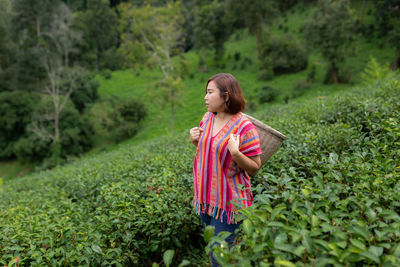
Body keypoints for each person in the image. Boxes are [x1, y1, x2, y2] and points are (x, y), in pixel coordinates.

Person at [189, 73, 262, 266]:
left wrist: (236, 154)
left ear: (226, 96)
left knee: (219, 258)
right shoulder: (207, 118)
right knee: (215, 249)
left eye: (210, 92)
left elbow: (255, 167)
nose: (205, 97)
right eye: (206, 92)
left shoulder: (244, 127)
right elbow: (211, 152)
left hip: (230, 203)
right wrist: (196, 141)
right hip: (206, 199)